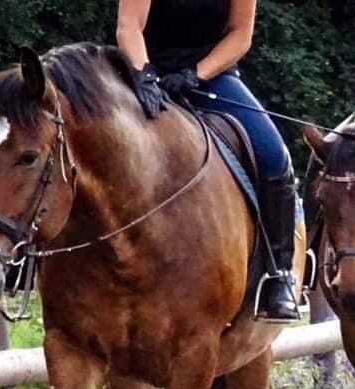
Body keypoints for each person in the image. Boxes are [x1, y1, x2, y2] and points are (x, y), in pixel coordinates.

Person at [116, 0, 300, 321]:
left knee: (273, 156)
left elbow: (240, 35)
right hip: (141, 72)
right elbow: (129, 25)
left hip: (210, 75)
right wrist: (144, 74)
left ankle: (278, 274)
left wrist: (195, 75)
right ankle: (30, 259)